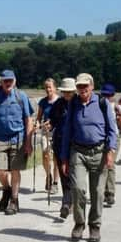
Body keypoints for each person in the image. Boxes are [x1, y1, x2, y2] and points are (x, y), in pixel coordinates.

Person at [61, 73, 117, 242]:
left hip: (99, 151)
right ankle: (79, 223)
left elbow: (111, 129)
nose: (82, 89)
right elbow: (67, 131)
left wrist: (110, 151)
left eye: (85, 86)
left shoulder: (102, 103)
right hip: (78, 151)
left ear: (92, 86)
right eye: (79, 86)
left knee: (98, 192)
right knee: (78, 188)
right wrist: (64, 158)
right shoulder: (73, 104)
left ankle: (95, 226)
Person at [0, 69, 34, 215]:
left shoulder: (21, 96)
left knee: (15, 170)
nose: (8, 83)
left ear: (15, 81)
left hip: (17, 138)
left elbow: (28, 119)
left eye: (10, 80)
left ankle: (14, 200)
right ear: (1, 82)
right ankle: (6, 189)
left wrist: (28, 142)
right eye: (5, 81)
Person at [48, 77, 76, 219]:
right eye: (64, 92)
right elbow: (53, 121)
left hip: (76, 144)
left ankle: (69, 202)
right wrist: (49, 125)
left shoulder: (79, 103)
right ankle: (67, 203)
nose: (67, 94)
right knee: (64, 173)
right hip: (60, 143)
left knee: (73, 174)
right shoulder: (58, 104)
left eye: (69, 92)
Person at [100, 83, 121, 206]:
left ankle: (110, 193)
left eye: (109, 95)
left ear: (113, 95)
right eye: (104, 95)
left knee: (110, 164)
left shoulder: (117, 108)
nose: (106, 97)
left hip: (114, 138)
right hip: (101, 138)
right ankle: (101, 192)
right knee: (101, 166)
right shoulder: (99, 105)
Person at [36, 78, 60, 195]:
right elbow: (38, 118)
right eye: (46, 87)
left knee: (56, 158)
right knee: (45, 155)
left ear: (55, 88)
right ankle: (48, 175)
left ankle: (55, 183)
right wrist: (37, 125)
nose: (48, 89)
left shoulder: (60, 101)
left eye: (50, 87)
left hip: (58, 132)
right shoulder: (43, 102)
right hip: (46, 132)